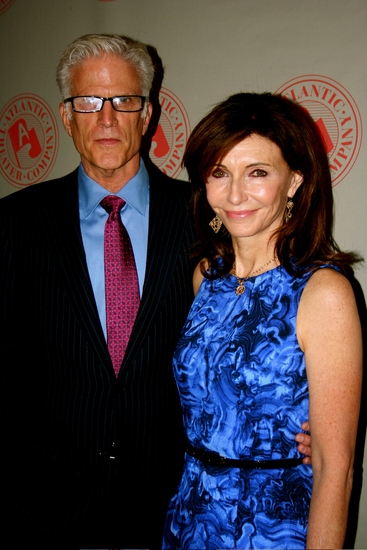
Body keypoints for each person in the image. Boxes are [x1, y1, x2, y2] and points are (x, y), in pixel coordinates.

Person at [0, 35, 311, 549]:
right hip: (44, 513)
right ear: (65, 116)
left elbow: (262, 326)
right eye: (88, 102)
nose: (106, 118)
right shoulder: (14, 225)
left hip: (175, 511)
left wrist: (309, 423)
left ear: (147, 115)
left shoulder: (210, 217)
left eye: (123, 101)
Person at [162, 92, 363, 549]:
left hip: (273, 528)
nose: (234, 194)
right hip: (190, 519)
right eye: (219, 173)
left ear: (293, 181)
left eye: (257, 173)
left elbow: (336, 467)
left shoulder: (323, 292)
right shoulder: (206, 276)